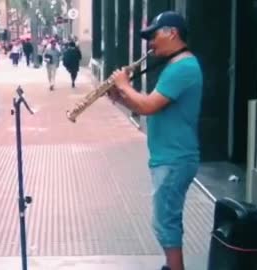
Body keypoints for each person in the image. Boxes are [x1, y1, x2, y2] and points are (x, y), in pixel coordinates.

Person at [109, 11, 203, 270]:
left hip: (175, 157)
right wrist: (121, 97)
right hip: (169, 155)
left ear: (172, 33)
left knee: (165, 221)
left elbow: (149, 105)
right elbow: (147, 107)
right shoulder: (175, 66)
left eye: (154, 35)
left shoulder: (183, 67)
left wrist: (124, 85)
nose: (150, 43)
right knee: (168, 218)